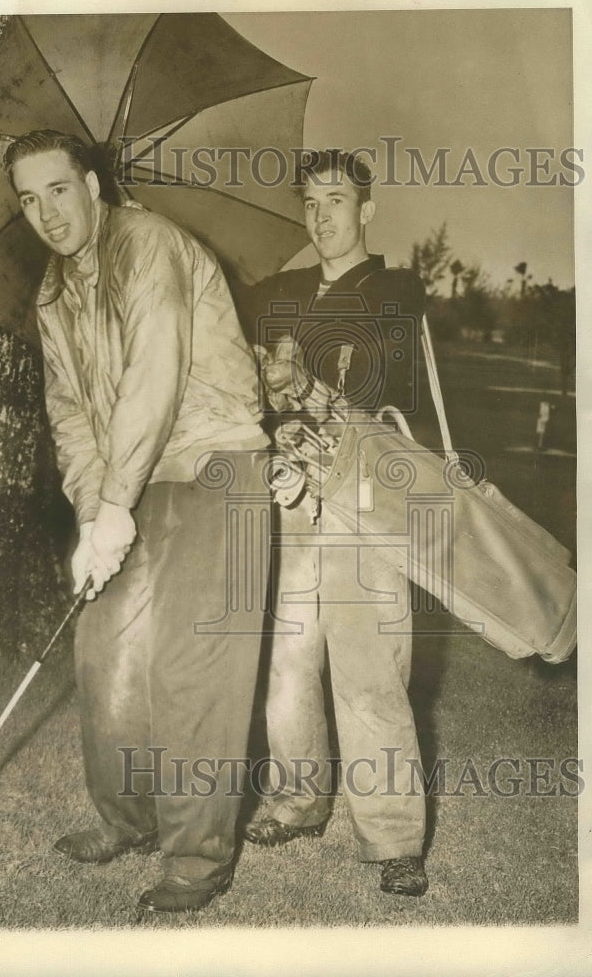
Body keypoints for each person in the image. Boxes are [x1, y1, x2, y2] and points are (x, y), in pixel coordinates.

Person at [2, 130, 270, 913]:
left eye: (57, 190)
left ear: (90, 184)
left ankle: (198, 856)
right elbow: (72, 419)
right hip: (130, 478)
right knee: (104, 648)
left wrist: (116, 503)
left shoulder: (147, 242)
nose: (46, 214)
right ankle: (129, 817)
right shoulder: (52, 294)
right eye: (27, 199)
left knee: (193, 666)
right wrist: (95, 517)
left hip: (218, 462)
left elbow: (155, 371)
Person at [237, 149, 440, 897]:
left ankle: (392, 839)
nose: (321, 216)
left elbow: (392, 383)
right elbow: (230, 350)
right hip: (291, 497)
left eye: (336, 200)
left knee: (368, 667)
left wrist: (303, 372)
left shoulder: (395, 288)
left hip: (364, 499)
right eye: (311, 202)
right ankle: (296, 797)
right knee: (289, 657)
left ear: (366, 210)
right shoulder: (277, 290)